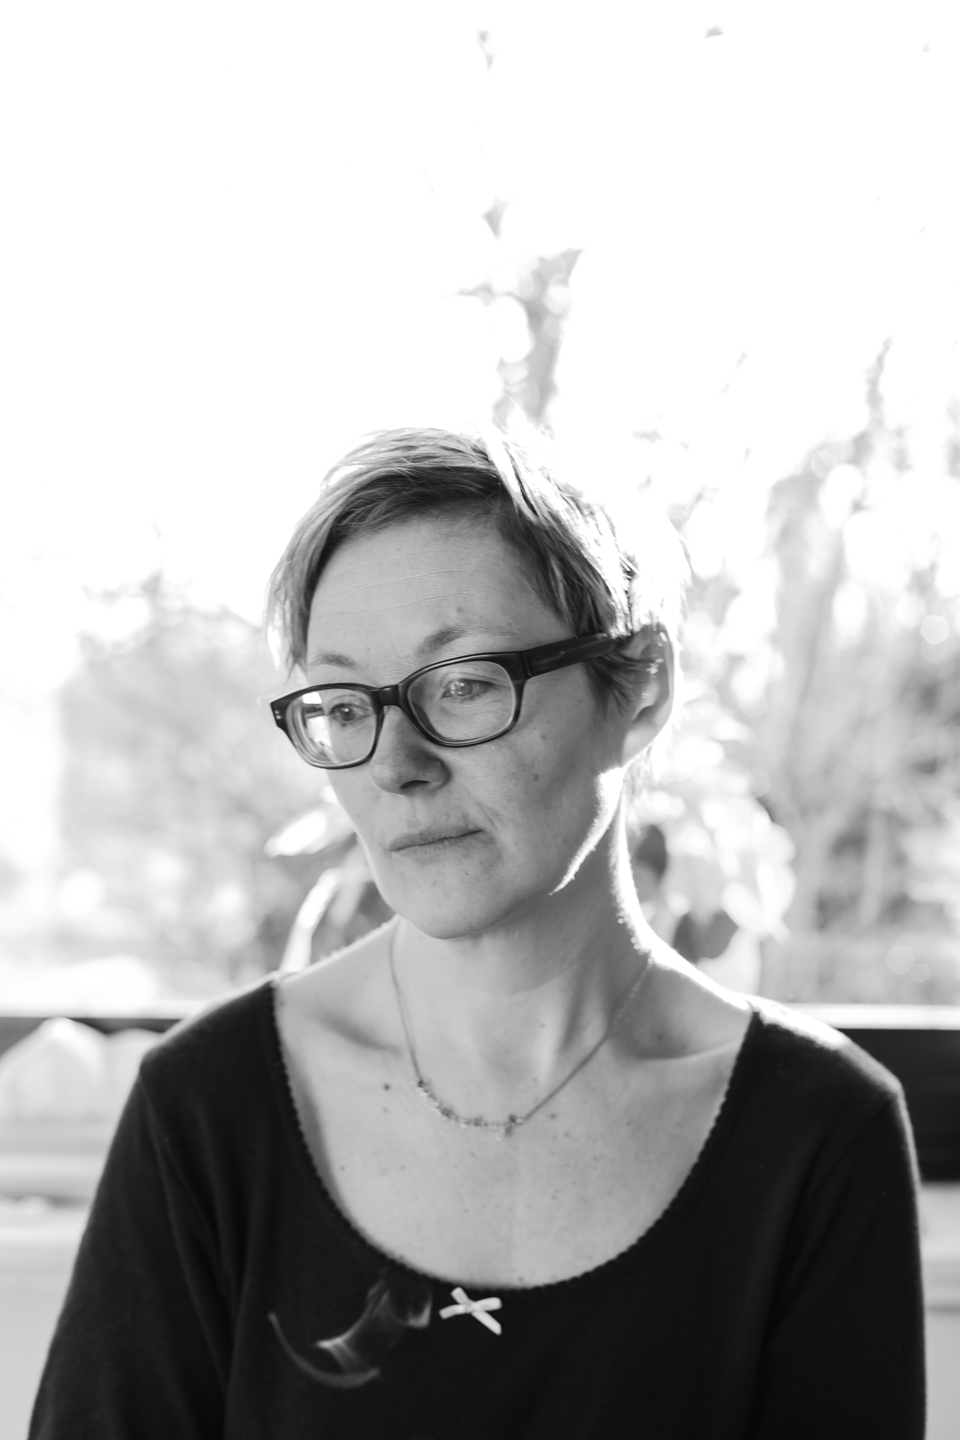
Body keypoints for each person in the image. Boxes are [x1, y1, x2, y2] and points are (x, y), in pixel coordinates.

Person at [30, 425, 925, 1439]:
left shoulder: (817, 1135)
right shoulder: (207, 1108)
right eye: (344, 704)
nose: (395, 766)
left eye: (463, 684)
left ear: (640, 687)